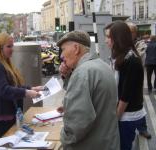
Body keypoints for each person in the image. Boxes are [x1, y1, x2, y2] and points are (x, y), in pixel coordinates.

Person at [57, 30, 120, 150]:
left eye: (63, 49)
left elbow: (77, 124)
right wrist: (68, 76)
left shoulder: (82, 73)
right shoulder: (102, 65)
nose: (61, 55)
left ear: (76, 48)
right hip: (107, 142)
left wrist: (63, 139)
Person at [0, 32, 42, 138]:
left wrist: (32, 88)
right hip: (1, 114)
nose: (12, 49)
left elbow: (14, 85)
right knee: (7, 142)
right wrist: (27, 92)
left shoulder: (5, 63)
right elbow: (4, 90)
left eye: (12, 46)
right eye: (9, 46)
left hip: (7, 112)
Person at [105, 21, 147, 150]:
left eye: (108, 37)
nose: (106, 40)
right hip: (121, 113)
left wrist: (115, 120)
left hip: (127, 116)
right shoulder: (118, 56)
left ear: (118, 38)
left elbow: (126, 96)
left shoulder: (131, 60)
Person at [127, 22, 151, 139]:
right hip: (124, 80)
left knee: (138, 105)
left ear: (134, 33)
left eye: (130, 32)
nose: (127, 34)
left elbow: (139, 58)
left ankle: (142, 128)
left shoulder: (140, 44)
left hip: (136, 81)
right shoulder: (121, 45)